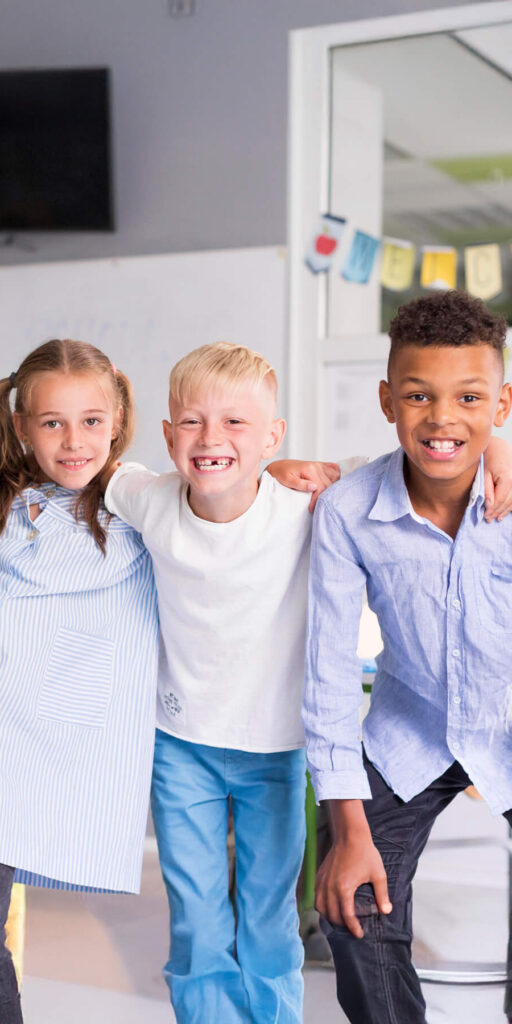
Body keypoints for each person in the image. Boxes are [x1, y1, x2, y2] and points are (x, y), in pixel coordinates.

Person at [0, 338, 335, 1023]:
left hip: (7, 761)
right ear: (20, 425)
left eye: (91, 420)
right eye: (52, 422)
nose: (73, 440)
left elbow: (220, 500)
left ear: (119, 421)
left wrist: (275, 473)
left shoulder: (133, 514)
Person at [305, 289, 512, 1024]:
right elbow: (327, 674)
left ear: (502, 403)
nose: (443, 417)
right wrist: (348, 831)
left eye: (469, 397)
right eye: (419, 395)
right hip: (410, 730)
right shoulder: (348, 510)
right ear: (388, 400)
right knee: (355, 904)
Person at [101, 341, 314, 1023]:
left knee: (267, 917)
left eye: (236, 424)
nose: (210, 439)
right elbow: (83, 463)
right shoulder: (148, 498)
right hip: (180, 745)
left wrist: (497, 448)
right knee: (197, 919)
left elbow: (411, 465)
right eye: (191, 422)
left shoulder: (304, 506)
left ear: (274, 438)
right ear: (168, 435)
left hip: (276, 748)